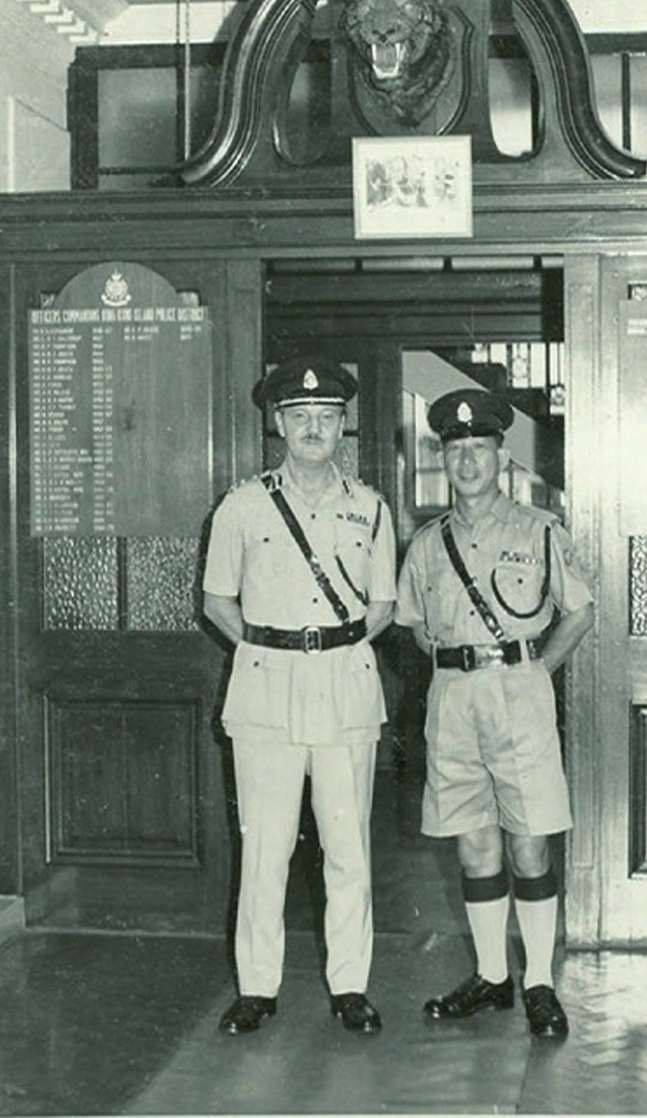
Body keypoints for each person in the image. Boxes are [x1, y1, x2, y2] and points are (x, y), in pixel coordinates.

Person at [202, 355, 396, 1037]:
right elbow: (216, 598)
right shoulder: (243, 505)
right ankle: (257, 986)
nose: (314, 428)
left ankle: (350, 985)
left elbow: (383, 604)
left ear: (345, 425)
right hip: (265, 692)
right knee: (267, 846)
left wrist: (330, 645)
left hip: (344, 688)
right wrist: (267, 644)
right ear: (278, 423)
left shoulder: (370, 508)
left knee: (348, 846)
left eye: (327, 417)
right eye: (300, 416)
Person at [395, 388, 593, 1038]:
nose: (468, 461)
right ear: (443, 457)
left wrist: (535, 669)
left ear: (500, 455)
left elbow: (579, 609)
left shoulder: (540, 530)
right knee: (475, 841)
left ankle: (538, 979)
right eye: (456, 450)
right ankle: (492, 976)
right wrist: (459, 668)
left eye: (479, 448)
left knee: (529, 840)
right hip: (453, 700)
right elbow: (414, 626)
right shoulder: (426, 543)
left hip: (520, 694)